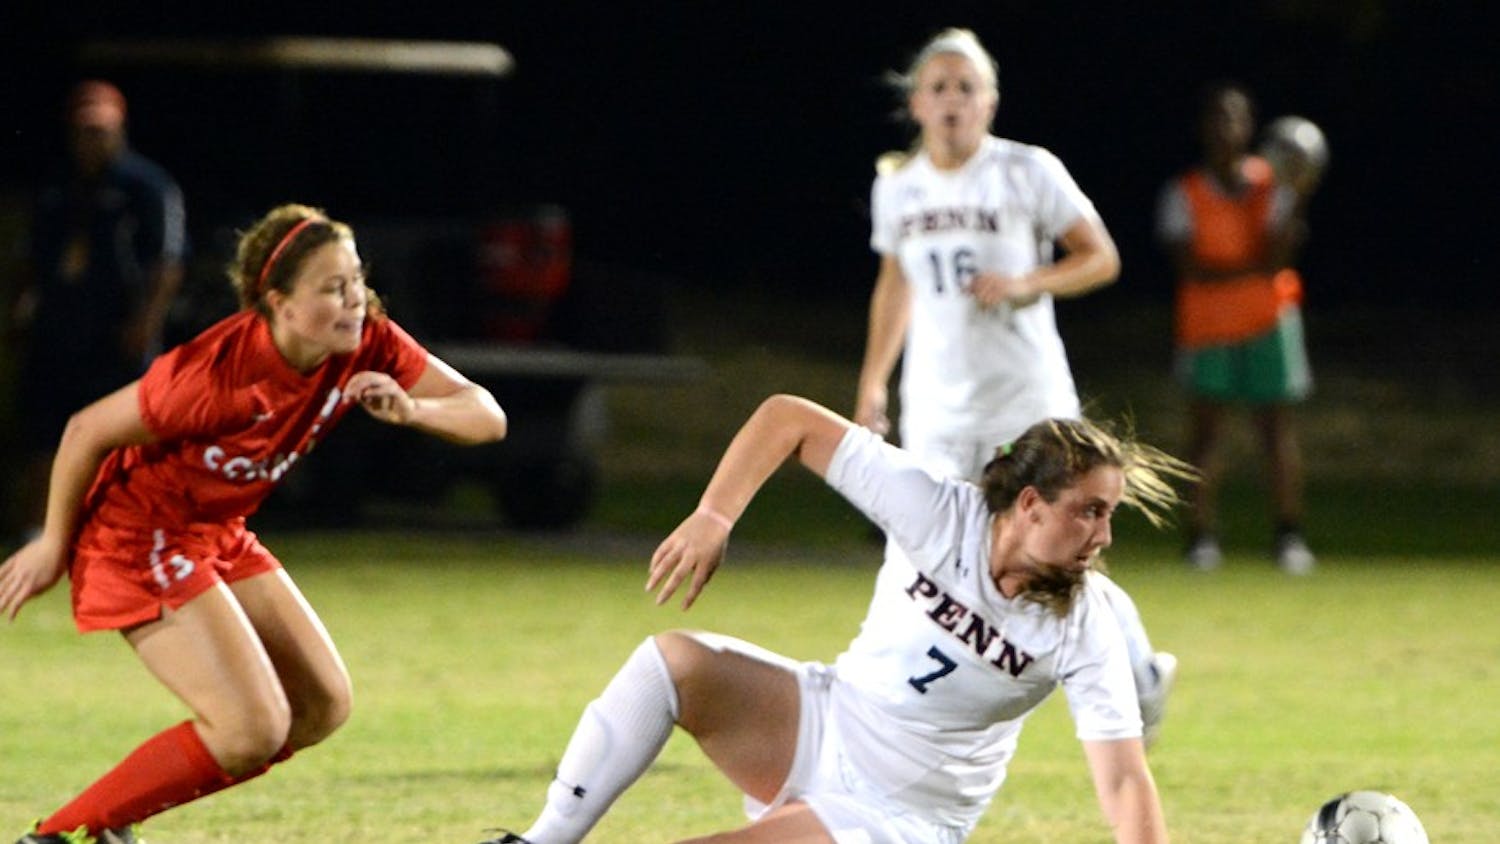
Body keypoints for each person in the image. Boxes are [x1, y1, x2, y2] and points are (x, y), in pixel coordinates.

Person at [0, 203, 509, 843]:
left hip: (216, 531)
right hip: (138, 536)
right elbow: (87, 430)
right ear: (280, 303)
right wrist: (53, 542)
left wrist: (412, 411)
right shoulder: (218, 375)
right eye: (333, 288)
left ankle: (106, 820)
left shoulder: (365, 340)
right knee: (251, 729)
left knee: (323, 705)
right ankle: (57, 837)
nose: (355, 300)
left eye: (357, 280)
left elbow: (486, 414)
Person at [481, 394, 1190, 844]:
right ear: (1031, 503)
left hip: (904, 817)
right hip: (825, 720)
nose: (1103, 536)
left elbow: (1124, 781)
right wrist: (714, 514)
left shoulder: (1084, 617)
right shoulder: (938, 511)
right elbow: (787, 419)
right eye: (1090, 511)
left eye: (1110, 514)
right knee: (673, 662)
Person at [852, 27, 1176, 739]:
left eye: (966, 87)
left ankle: (1139, 674)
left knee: (1065, 553)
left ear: (990, 101)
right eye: (938, 87)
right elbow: (894, 284)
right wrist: (874, 384)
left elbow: (1100, 257)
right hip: (938, 408)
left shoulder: (1027, 170)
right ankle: (881, 696)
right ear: (915, 102)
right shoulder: (897, 186)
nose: (952, 101)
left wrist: (1032, 281)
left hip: (1027, 406)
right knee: (914, 552)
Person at [7, 80, 188, 541]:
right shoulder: (56, 185)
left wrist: (145, 323)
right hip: (58, 328)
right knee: (45, 430)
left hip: (116, 329)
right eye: (86, 130)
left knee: (126, 430)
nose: (94, 141)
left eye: (102, 130)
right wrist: (20, 311)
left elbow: (167, 262)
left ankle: (131, 524)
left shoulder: (146, 185)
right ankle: (41, 532)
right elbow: (30, 259)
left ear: (119, 129)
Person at [1155, 82, 1319, 574]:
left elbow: (1281, 255)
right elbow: (1191, 268)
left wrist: (1300, 198)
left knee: (1276, 432)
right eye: (1217, 119)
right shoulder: (1182, 193)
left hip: (1268, 322)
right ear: (1204, 128)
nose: (1227, 129)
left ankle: (1289, 535)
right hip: (1208, 327)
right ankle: (1200, 538)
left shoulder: (1275, 186)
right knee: (1205, 435)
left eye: (1236, 119)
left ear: (1250, 128)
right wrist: (1252, 271)